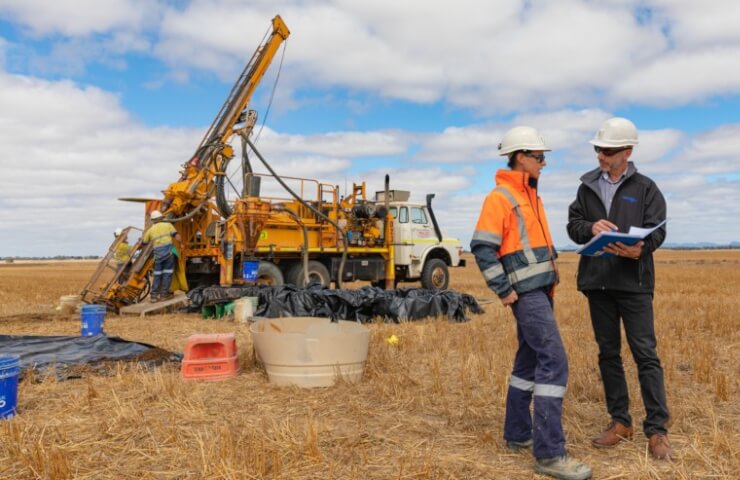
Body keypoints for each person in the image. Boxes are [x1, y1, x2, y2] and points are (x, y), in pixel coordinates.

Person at [472, 126, 591, 480]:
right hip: (526, 295)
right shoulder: (501, 198)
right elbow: (482, 247)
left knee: (528, 361)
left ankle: (517, 433)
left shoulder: (530, 196)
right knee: (554, 361)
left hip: (541, 291)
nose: (544, 164)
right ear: (520, 157)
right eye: (540, 158)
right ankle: (550, 455)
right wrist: (504, 290)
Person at [566, 117, 672, 460]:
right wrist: (589, 226)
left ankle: (656, 431)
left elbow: (658, 230)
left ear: (627, 151)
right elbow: (573, 224)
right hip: (597, 282)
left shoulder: (646, 188)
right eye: (598, 149)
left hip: (634, 283)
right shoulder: (586, 187)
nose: (600, 156)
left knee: (646, 355)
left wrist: (641, 249)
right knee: (608, 354)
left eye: (607, 151)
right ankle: (620, 422)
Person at [142, 210, 180, 302]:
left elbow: (144, 242)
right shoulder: (168, 225)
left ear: (153, 220)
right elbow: (177, 236)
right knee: (167, 275)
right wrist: (181, 243)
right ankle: (164, 295)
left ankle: (154, 296)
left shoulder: (151, 230)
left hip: (158, 256)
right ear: (161, 218)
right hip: (168, 255)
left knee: (157, 275)